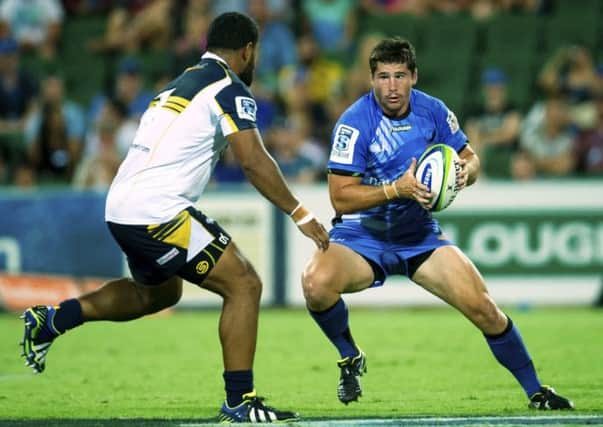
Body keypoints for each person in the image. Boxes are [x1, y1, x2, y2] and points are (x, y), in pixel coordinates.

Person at [20, 12, 329, 424]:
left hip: (122, 207)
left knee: (159, 295)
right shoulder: (228, 88)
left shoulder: (182, 80)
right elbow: (253, 162)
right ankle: (240, 401)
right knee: (244, 284)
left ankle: (52, 321)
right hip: (158, 211)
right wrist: (300, 211)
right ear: (248, 51)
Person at [301, 37, 574, 410]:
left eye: (399, 75)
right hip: (362, 235)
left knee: (484, 308)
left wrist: (465, 172)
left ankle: (536, 391)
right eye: (383, 77)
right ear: (371, 80)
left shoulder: (433, 111)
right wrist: (396, 188)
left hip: (419, 236)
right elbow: (340, 196)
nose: (391, 86)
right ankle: (350, 356)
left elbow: (470, 158)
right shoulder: (354, 123)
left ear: (414, 76)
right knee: (315, 284)